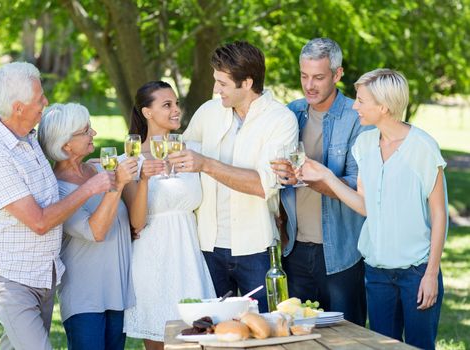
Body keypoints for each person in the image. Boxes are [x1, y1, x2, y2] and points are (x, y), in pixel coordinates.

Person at [298, 68, 447, 350]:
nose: (354, 106)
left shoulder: (423, 147)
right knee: (381, 347)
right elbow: (365, 206)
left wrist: (431, 273)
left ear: (384, 106)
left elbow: (439, 214)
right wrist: (328, 177)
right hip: (377, 272)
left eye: (361, 100)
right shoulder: (364, 144)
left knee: (419, 346)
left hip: (417, 271)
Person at [0, 62, 112, 350]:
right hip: (11, 278)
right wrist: (89, 189)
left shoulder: (29, 139)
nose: (45, 103)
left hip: (42, 274)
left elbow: (56, 179)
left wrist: (88, 167)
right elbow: (39, 221)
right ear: (19, 107)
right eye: (39, 99)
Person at [168, 41, 298, 313]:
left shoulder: (281, 120)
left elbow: (264, 185)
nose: (216, 89)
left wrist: (207, 164)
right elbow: (177, 160)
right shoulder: (208, 112)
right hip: (207, 246)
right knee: (211, 331)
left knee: (264, 329)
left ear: (247, 83)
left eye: (223, 83)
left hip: (256, 248)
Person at [271, 38, 368, 325]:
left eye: (318, 77)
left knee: (346, 337)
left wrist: (318, 178)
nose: (309, 85)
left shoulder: (357, 117)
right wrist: (284, 176)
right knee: (298, 336)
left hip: (341, 251)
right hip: (295, 249)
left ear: (337, 75)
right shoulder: (291, 113)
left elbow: (358, 183)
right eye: (304, 76)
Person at [123, 81, 216, 350]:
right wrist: (143, 180)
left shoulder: (191, 152)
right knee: (158, 342)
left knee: (199, 340)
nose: (176, 110)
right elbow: (136, 223)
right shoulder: (130, 159)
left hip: (189, 258)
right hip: (152, 260)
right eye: (167, 105)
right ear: (147, 112)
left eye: (176, 103)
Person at [37, 103, 138, 350]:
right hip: (85, 299)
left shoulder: (98, 167)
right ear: (65, 144)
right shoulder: (57, 190)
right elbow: (96, 231)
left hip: (117, 293)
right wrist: (118, 186)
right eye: (86, 130)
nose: (94, 133)